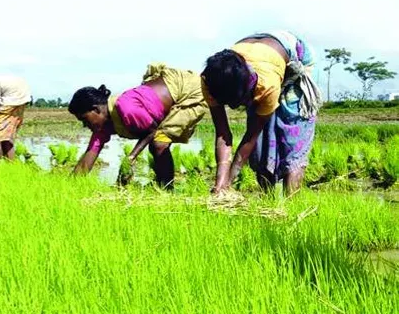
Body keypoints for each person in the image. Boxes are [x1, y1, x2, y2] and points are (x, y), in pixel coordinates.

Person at [201, 30, 322, 196]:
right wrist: (220, 184)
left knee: (292, 140)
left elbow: (251, 135)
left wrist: (229, 181)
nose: (234, 107)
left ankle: (291, 206)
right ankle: (269, 200)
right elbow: (223, 134)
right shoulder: (210, 81)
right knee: (261, 151)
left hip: (294, 61)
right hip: (260, 59)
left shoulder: (265, 85)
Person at [68, 62, 208, 189]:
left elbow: (153, 130)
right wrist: (69, 188)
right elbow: (87, 158)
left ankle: (167, 190)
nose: (85, 125)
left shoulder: (125, 108)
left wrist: (131, 157)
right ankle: (162, 185)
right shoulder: (102, 127)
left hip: (188, 90)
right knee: (157, 145)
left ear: (96, 110)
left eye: (84, 119)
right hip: (168, 98)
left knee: (159, 143)